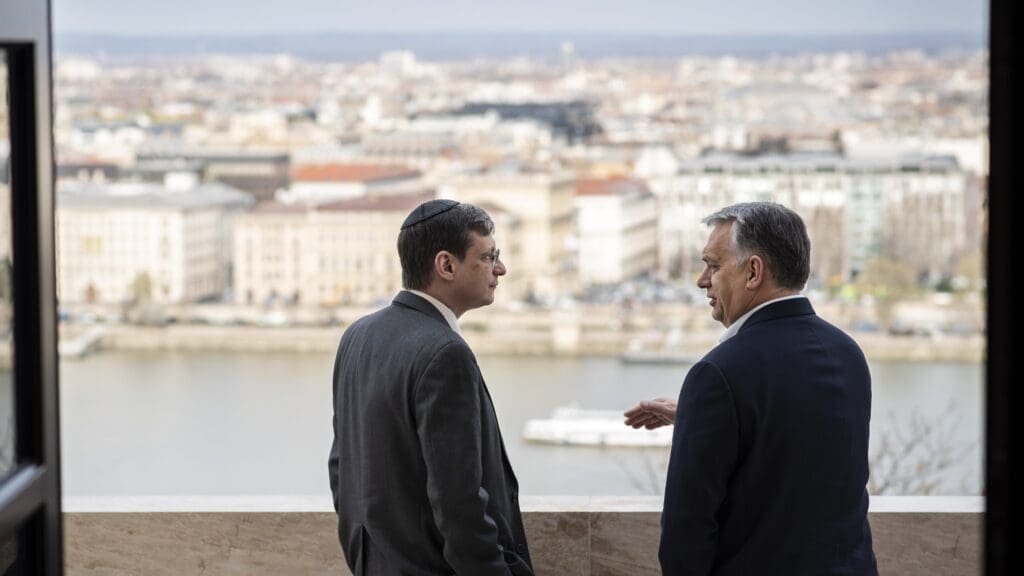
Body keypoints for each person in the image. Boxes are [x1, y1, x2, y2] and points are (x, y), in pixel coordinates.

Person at [624, 202, 877, 575]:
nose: (701, 280)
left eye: (713, 265)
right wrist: (700, 419)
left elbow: (686, 533)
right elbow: (800, 454)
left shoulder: (718, 373)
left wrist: (708, 412)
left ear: (753, 272)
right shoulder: (847, 353)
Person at [328, 199, 533, 576]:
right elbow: (459, 502)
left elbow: (342, 471)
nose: (500, 269)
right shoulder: (445, 353)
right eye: (488, 257)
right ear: (446, 265)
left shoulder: (357, 335)